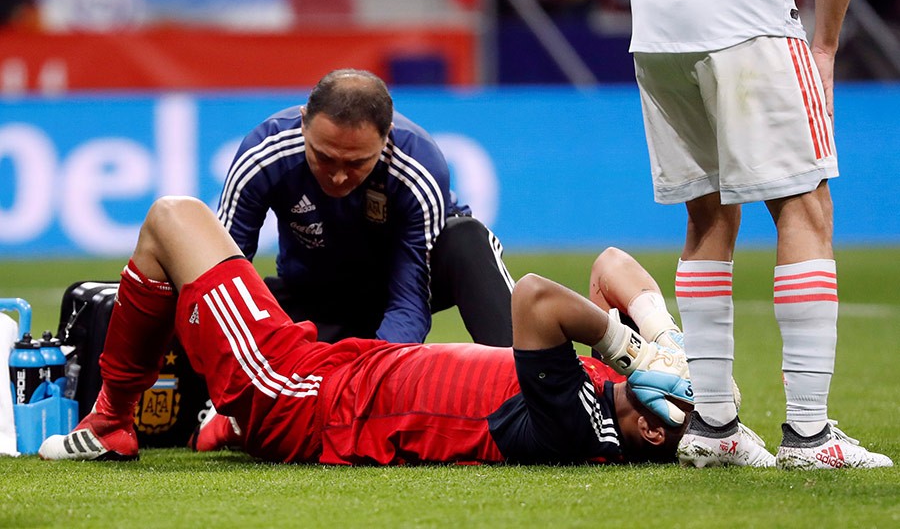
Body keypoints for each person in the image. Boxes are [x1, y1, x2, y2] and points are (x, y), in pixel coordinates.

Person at [39, 196, 693, 465]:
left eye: (679, 389)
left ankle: (109, 423)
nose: (675, 378)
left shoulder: (576, 423)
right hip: (337, 368)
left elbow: (536, 297)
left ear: (653, 426)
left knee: (171, 218)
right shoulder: (618, 390)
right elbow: (613, 266)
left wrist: (632, 349)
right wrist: (663, 337)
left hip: (308, 398)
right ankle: (223, 422)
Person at [629, 0, 892, 469]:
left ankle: (713, 426)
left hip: (655, 15)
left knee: (707, 213)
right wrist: (825, 47)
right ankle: (810, 435)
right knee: (805, 206)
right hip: (746, 11)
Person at [217, 69, 515, 348]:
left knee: (466, 238)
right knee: (200, 289)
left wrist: (374, 373)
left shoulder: (417, 167)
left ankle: (524, 384)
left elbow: (410, 296)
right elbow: (221, 274)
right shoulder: (264, 154)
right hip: (314, 293)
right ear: (304, 122)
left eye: (356, 163)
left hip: (396, 287)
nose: (338, 176)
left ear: (387, 137)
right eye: (324, 157)